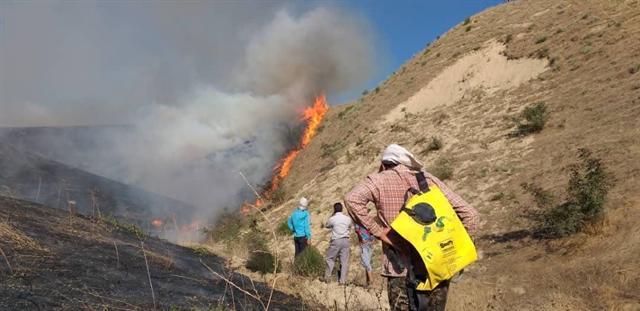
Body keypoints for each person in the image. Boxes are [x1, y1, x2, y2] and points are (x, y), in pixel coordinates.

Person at [345, 144, 479, 311]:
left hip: (399, 270)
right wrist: (456, 253)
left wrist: (379, 232)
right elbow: (470, 215)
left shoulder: (378, 180)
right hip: (435, 269)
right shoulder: (427, 180)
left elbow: (352, 199)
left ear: (384, 165)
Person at [324, 202, 352, 285]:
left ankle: (327, 278)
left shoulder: (333, 218)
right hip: (346, 240)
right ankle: (342, 281)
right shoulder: (347, 218)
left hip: (336, 240)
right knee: (344, 261)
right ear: (342, 209)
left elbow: (327, 225)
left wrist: (332, 215)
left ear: (334, 209)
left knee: (330, 258)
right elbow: (350, 226)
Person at [354, 223, 375, 287]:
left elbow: (357, 231)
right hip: (370, 243)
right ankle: (368, 283)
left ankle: (371, 282)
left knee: (366, 263)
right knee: (368, 262)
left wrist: (361, 239)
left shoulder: (357, 222)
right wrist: (372, 239)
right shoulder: (368, 220)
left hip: (364, 244)